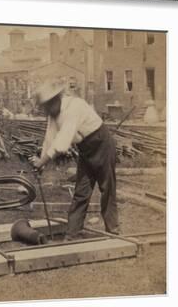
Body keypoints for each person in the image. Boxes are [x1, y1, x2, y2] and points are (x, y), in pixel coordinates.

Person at [29, 79, 119, 237]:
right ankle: (71, 235)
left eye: (46, 106)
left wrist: (43, 161)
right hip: (85, 149)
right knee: (81, 192)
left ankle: (114, 232)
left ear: (55, 100)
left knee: (107, 189)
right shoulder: (53, 114)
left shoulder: (74, 106)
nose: (46, 111)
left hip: (101, 143)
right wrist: (41, 164)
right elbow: (50, 139)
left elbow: (63, 141)